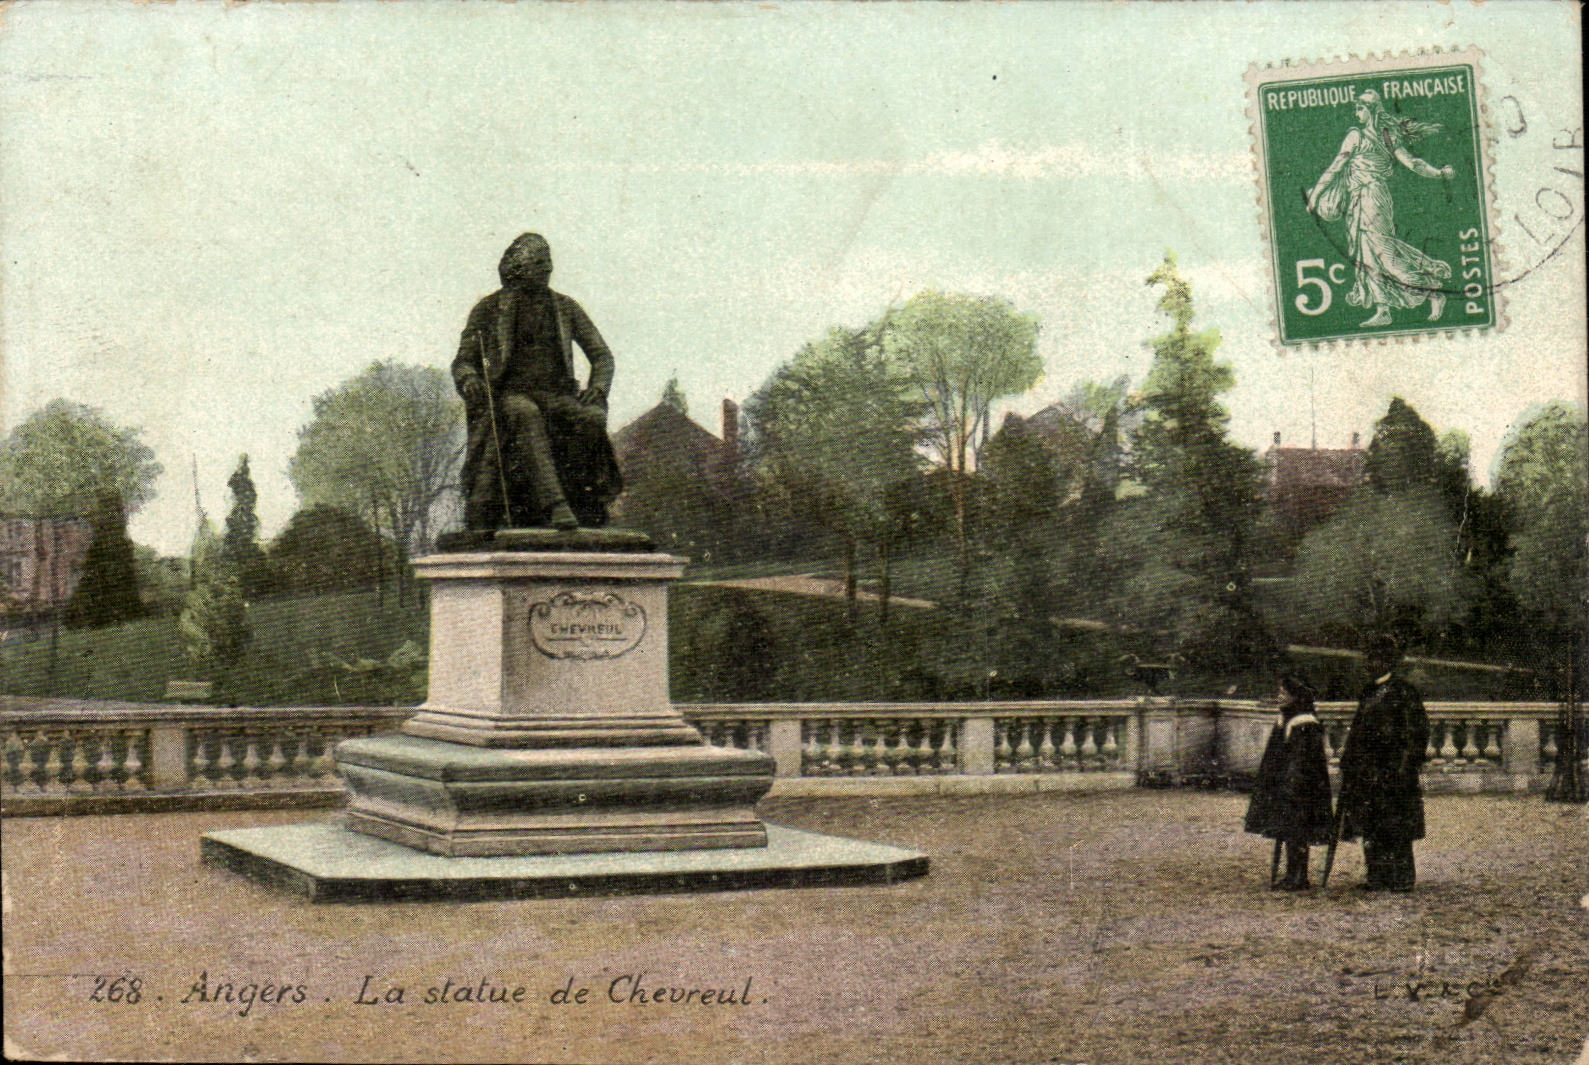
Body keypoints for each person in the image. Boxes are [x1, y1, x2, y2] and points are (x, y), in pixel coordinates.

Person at [453, 233, 623, 531]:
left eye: (549, 262)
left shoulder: (565, 307)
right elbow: (463, 360)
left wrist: (597, 390)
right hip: (510, 394)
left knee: (592, 417)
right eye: (539, 263)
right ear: (517, 268)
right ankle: (556, 505)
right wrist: (468, 378)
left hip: (558, 395)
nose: (547, 269)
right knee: (526, 414)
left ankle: (591, 504)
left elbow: (602, 356)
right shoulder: (489, 309)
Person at [1305, 90, 1455, 328]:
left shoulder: (1367, 136)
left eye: (1360, 108)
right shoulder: (1381, 136)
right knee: (1366, 255)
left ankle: (1431, 291)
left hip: (1372, 198)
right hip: (1361, 199)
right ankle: (1383, 308)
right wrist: (1437, 173)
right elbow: (1411, 163)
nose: (1356, 113)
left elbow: (1336, 168)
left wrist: (1314, 196)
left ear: (1371, 110)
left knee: (1385, 253)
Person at [1336, 635, 1430, 892]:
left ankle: (1401, 877)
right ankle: (1376, 875)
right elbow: (1358, 732)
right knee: (1371, 824)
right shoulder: (1369, 691)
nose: (1372, 664)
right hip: (1368, 771)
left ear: (1389, 661)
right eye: (1370, 658)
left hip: (1394, 771)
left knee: (1396, 826)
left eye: (1377, 659)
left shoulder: (1404, 692)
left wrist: (1405, 767)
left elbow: (1417, 733)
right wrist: (1350, 763)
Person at [1244, 673, 1333, 890]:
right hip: (1286, 784)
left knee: (1298, 831)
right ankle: (1293, 873)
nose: (1280, 696)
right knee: (1289, 829)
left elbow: (1302, 760)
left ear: (1296, 696)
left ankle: (1299, 875)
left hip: (1302, 787)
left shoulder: (1304, 722)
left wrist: (1291, 785)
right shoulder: (1286, 718)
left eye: (1284, 693)